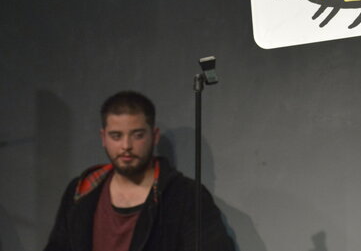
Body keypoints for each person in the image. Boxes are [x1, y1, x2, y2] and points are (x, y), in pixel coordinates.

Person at [44, 91, 234, 251]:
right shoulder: (81, 191)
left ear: (154, 135)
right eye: (116, 136)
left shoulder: (185, 196)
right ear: (103, 138)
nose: (126, 146)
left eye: (137, 135)